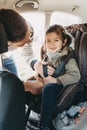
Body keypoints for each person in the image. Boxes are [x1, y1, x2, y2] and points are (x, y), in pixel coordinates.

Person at [24, 24, 81, 130]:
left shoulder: (67, 58)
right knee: (27, 82)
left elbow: (75, 75)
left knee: (48, 88)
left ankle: (44, 124)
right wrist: (40, 75)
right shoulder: (48, 55)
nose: (52, 44)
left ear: (63, 42)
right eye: (48, 41)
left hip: (62, 85)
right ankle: (23, 114)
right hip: (49, 81)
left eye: (56, 40)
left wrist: (56, 80)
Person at [0, 8, 43, 130]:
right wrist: (27, 86)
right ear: (7, 42)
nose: (30, 40)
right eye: (23, 43)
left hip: (8, 57)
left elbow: (28, 54)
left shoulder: (25, 30)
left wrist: (35, 65)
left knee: (13, 92)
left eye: (30, 36)